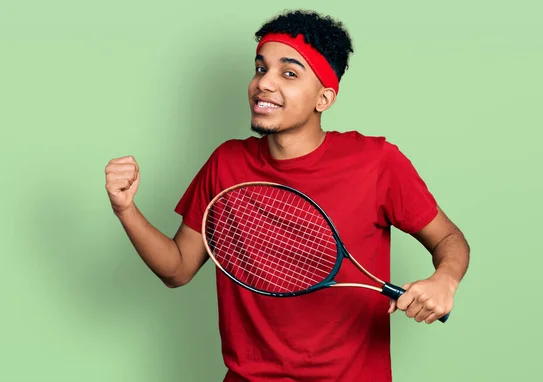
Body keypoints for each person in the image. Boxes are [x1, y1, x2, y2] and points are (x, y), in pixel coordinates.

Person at [104, 9, 470, 382]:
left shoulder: (376, 162)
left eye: (289, 73)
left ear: (323, 98)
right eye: (261, 68)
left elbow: (448, 238)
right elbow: (178, 269)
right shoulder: (226, 163)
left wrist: (445, 279)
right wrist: (125, 209)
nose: (264, 83)